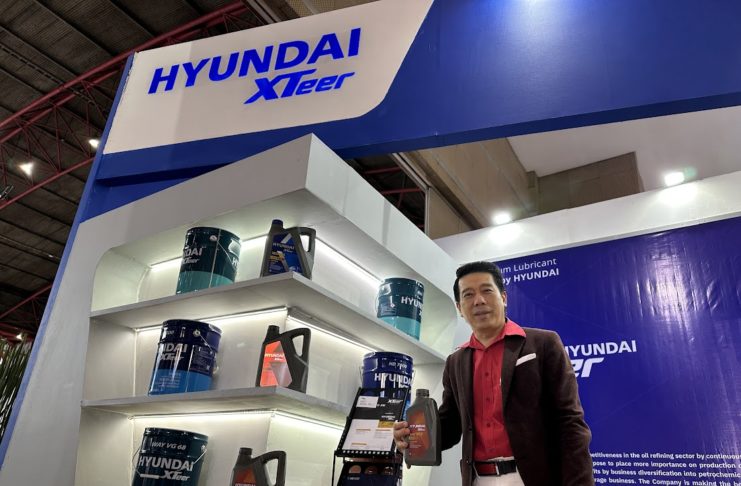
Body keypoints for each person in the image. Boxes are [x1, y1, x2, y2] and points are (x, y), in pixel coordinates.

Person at [394, 261, 594, 486]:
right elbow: (450, 426)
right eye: (468, 295)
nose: (478, 300)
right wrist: (413, 436)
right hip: (478, 479)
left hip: (533, 477)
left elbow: (569, 421)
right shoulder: (455, 362)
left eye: (487, 290)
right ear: (459, 308)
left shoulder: (543, 344)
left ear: (504, 297)